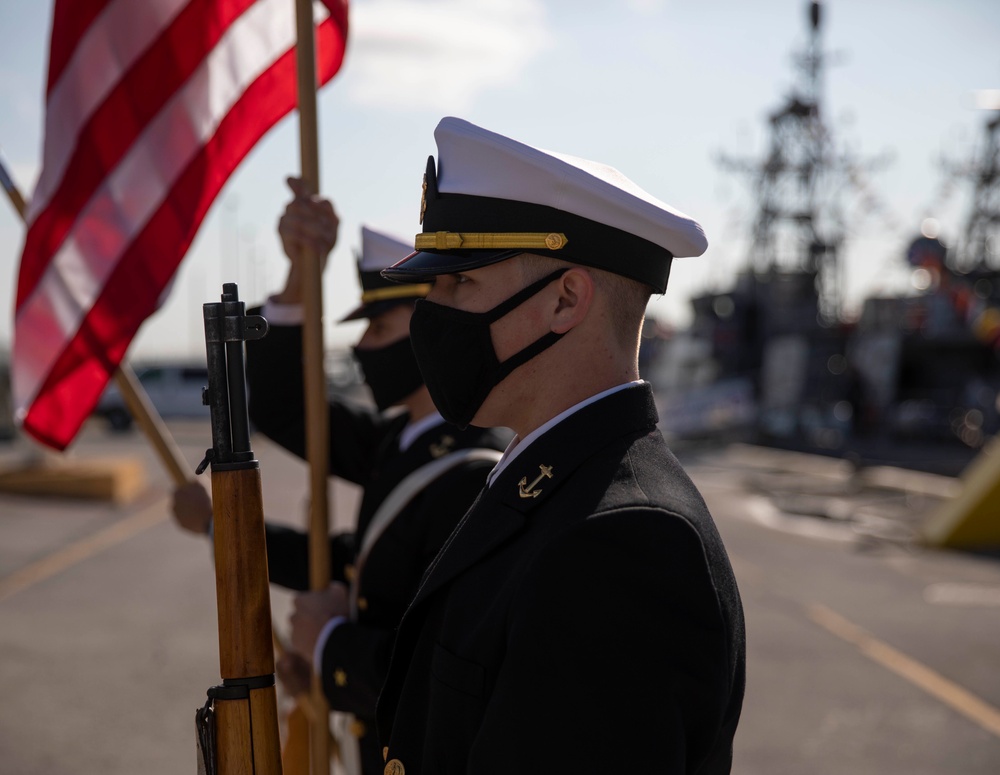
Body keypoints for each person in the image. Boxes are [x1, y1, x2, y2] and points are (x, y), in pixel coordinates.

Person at [374, 118, 746, 774]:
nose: (432, 311)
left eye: (459, 282)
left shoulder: (618, 545)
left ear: (565, 300)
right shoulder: (557, 485)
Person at [172, 179, 510, 775]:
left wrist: (332, 650)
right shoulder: (399, 440)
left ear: (429, 328)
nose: (362, 349)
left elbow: (441, 667)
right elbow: (284, 409)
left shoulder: (469, 472)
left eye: (378, 330)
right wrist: (301, 273)